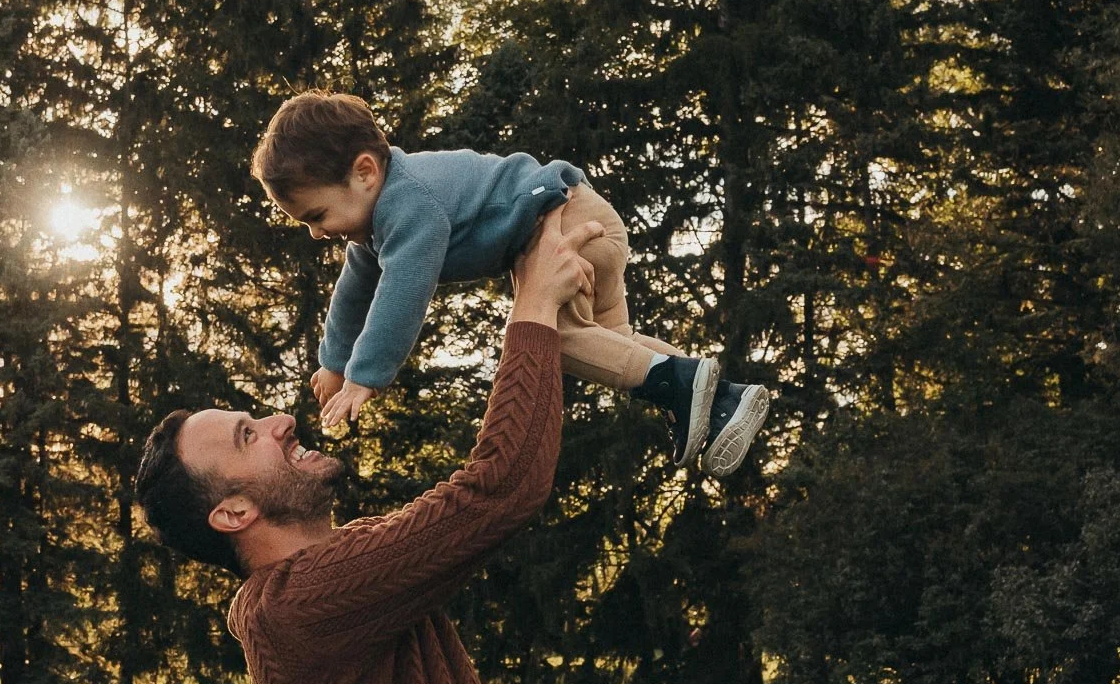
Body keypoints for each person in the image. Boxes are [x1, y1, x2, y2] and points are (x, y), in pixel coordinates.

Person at [134, 208, 603, 684]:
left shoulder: (326, 585)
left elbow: (475, 500)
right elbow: (499, 489)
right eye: (247, 437)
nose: (281, 422)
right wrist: (533, 302)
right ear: (232, 513)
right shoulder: (299, 605)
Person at [251, 90, 768, 476]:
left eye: (316, 215)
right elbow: (354, 291)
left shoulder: (407, 206)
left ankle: (684, 383)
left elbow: (402, 292)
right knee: (616, 347)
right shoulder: (375, 228)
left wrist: (365, 375)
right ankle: (723, 398)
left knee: (552, 338)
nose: (318, 233)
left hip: (564, 224)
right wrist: (333, 362)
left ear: (364, 172)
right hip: (579, 219)